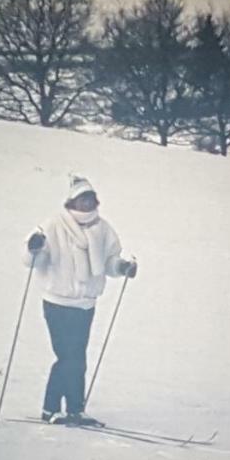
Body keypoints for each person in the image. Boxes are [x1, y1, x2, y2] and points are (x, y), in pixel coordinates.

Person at [22, 174, 137, 426]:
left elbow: (110, 262)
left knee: (78, 358)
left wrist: (123, 267)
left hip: (85, 304)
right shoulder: (54, 224)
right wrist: (34, 247)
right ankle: (49, 408)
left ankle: (75, 410)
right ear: (71, 201)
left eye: (90, 199)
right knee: (68, 357)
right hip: (57, 302)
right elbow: (34, 261)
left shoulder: (103, 229)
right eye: (82, 199)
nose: (87, 204)